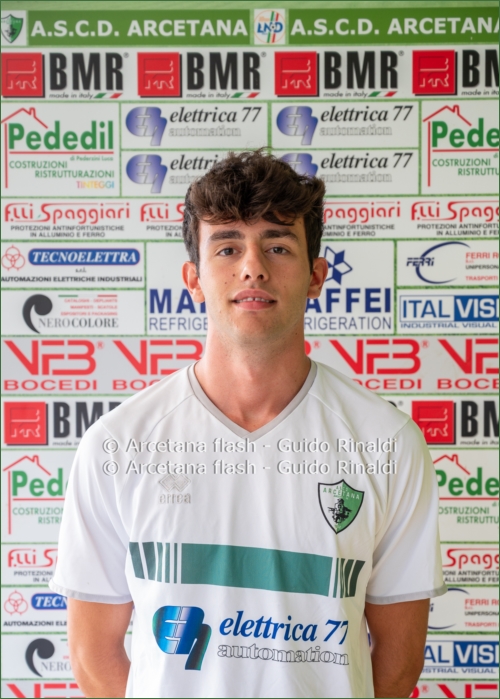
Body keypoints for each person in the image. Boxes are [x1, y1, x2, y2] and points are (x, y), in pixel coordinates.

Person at [50, 150, 446, 698]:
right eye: (228, 247)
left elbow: (399, 663)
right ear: (193, 279)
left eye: (277, 246)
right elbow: (93, 658)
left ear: (316, 276)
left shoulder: (387, 443)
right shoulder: (118, 445)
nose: (252, 267)